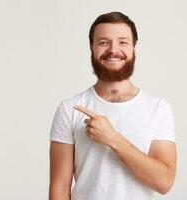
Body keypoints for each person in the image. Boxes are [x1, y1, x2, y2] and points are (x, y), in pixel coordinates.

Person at [48, 12, 177, 200]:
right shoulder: (70, 108)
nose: (113, 50)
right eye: (103, 42)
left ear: (134, 48)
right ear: (92, 48)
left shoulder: (158, 108)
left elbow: (164, 182)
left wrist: (112, 138)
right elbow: (59, 187)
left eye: (123, 42)